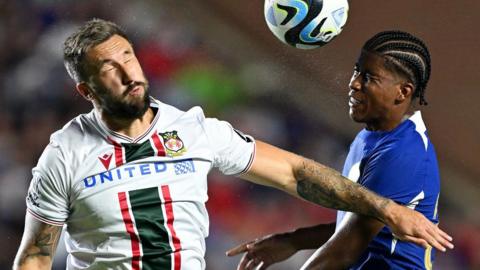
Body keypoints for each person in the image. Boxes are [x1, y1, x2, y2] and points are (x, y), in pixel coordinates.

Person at [13, 20, 451, 270]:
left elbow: (297, 173)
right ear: (87, 91)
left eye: (128, 56)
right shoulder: (64, 154)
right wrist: (299, 237)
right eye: (109, 68)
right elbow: (35, 254)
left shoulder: (194, 130)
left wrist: (386, 208)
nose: (129, 73)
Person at [227, 30, 445, 270]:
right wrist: (293, 241)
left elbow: (346, 248)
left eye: (369, 78)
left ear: (402, 91)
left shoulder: (404, 154)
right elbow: (362, 224)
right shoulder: (373, 136)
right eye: (356, 71)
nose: (354, 83)